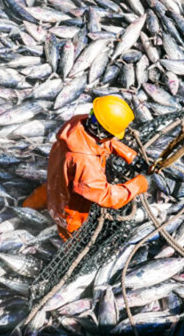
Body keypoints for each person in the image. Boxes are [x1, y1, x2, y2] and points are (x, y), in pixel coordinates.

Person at [23, 95, 150, 240]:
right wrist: (140, 184)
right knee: (71, 234)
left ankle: (25, 209)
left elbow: (100, 141)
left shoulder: (78, 122)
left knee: (43, 196)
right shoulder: (85, 161)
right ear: (104, 132)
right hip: (70, 210)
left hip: (55, 181)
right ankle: (65, 243)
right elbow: (107, 197)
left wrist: (129, 155)